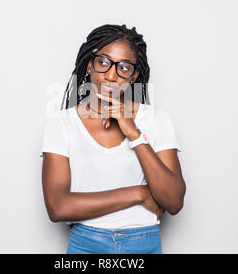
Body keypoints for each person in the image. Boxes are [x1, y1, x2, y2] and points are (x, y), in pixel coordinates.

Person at [39, 24, 186, 254]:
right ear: (90, 63)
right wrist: (139, 194)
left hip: (143, 244)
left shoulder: (156, 120)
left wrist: (134, 133)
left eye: (124, 67)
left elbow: (174, 202)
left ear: (134, 74)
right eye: (103, 62)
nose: (110, 75)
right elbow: (58, 207)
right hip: (86, 245)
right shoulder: (62, 124)